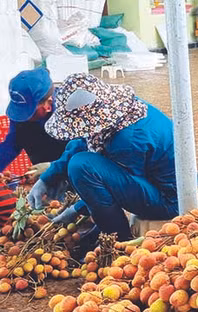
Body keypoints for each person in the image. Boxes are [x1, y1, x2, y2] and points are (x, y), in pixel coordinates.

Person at [26, 73, 178, 244]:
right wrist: (48, 178)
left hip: (168, 200)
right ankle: (103, 229)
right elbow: (82, 141)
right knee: (81, 160)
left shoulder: (128, 140)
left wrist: (76, 209)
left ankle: (118, 240)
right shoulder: (116, 112)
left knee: (81, 167)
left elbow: (118, 190)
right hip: (153, 183)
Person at [0, 68, 68, 176]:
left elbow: (84, 152)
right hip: (40, 170)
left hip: (72, 167)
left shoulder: (69, 111)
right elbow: (12, 144)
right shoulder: (20, 114)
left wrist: (55, 166)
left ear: (48, 105)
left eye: (28, 113)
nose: (23, 118)